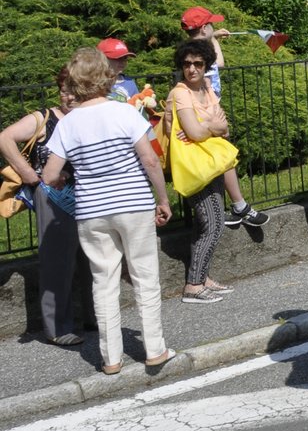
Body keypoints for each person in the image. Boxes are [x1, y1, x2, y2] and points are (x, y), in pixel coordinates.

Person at [40, 48, 174, 373]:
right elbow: (150, 160)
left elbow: (48, 175)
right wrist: (163, 198)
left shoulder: (68, 124)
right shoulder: (124, 113)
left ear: (74, 82)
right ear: (106, 77)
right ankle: (154, 349)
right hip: (133, 203)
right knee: (144, 275)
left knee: (103, 282)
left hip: (91, 210)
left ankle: (110, 358)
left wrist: (66, 179)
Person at [168, 40, 264, 304]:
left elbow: (225, 130)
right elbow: (200, 131)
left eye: (198, 64)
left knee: (204, 225)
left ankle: (203, 277)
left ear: (206, 65)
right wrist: (209, 127)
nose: (191, 69)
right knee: (213, 224)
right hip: (194, 166)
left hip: (211, 161)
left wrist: (204, 127)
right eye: (186, 64)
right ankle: (193, 286)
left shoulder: (207, 89)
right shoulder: (180, 93)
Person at [0, 68, 83, 346]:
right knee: (57, 260)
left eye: (72, 89)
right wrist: (29, 176)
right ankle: (57, 328)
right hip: (52, 195)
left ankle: (92, 319)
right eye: (63, 89)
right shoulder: (44, 118)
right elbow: (4, 138)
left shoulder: (88, 115)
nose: (67, 96)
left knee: (90, 256)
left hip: (87, 193)